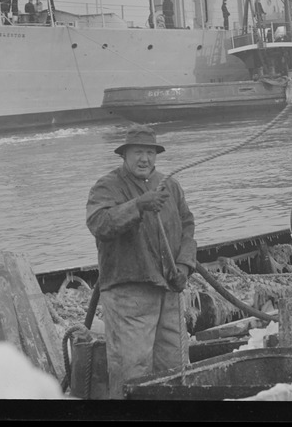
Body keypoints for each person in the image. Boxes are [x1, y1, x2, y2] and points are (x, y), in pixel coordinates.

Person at [86, 125, 196, 398]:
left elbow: (187, 226)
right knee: (132, 371)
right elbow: (99, 223)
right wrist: (138, 206)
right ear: (124, 155)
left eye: (150, 152)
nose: (144, 158)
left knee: (175, 367)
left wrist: (183, 265)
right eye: (138, 152)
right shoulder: (108, 186)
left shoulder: (169, 185)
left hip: (169, 290)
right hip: (129, 293)